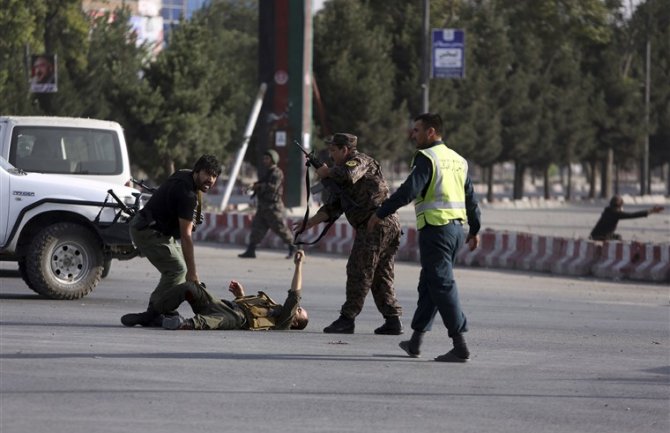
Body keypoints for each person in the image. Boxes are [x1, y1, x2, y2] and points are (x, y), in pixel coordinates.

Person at [368, 113, 481, 363]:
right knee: (429, 284)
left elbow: (409, 190)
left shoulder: (427, 157)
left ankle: (460, 343)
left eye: (417, 130)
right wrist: (474, 230)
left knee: (441, 283)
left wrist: (381, 212)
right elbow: (471, 199)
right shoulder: (458, 160)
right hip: (455, 231)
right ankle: (416, 341)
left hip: (436, 229)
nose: (413, 134)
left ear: (431, 132)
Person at [296, 133, 403, 335]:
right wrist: (309, 223)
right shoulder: (341, 176)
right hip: (380, 225)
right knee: (380, 274)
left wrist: (326, 172)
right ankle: (392, 320)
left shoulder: (360, 161)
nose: (330, 154)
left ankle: (347, 319)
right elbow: (334, 207)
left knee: (358, 270)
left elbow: (346, 174)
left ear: (345, 149)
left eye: (334, 151)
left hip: (377, 223)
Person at [121, 154, 222, 327]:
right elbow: (186, 236)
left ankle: (164, 308)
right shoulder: (187, 194)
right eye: (207, 174)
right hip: (147, 231)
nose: (210, 179)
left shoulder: (184, 174)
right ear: (197, 171)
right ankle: (153, 311)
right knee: (178, 270)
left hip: (154, 226)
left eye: (214, 176)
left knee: (179, 269)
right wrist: (193, 272)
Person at [159, 250, 308, 330]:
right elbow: (250, 308)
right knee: (191, 287)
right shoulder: (269, 305)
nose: (298, 308)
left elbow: (294, 296)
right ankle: (157, 311)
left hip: (236, 318)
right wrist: (240, 296)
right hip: (223, 306)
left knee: (220, 320)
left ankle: (184, 324)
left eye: (299, 311)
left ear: (294, 323)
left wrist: (298, 265)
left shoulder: (283, 322)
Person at [239, 149, 296, 259]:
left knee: (281, 229)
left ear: (273, 160)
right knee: (257, 228)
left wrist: (259, 186)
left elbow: (273, 187)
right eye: (264, 158)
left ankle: (293, 249)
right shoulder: (268, 172)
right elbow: (262, 184)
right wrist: (254, 186)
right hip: (263, 207)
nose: (265, 160)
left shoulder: (277, 172)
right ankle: (251, 250)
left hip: (273, 207)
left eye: (267, 158)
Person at [589, 195, 664, 241]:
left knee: (617, 237)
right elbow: (632, 215)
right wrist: (651, 211)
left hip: (594, 235)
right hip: (600, 237)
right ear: (620, 206)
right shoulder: (616, 213)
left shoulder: (607, 211)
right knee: (617, 238)